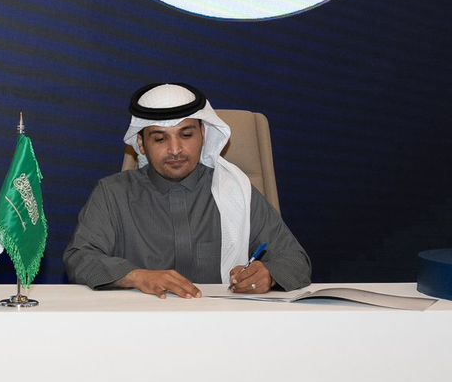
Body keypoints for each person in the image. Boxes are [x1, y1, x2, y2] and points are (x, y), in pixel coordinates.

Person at [64, 83, 311, 299]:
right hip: (141, 326)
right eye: (160, 139)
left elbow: (296, 261)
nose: (175, 150)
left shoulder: (235, 190)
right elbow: (80, 257)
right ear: (141, 144)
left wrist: (268, 274)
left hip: (223, 326)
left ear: (203, 135)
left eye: (186, 135)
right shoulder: (113, 193)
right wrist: (137, 277)